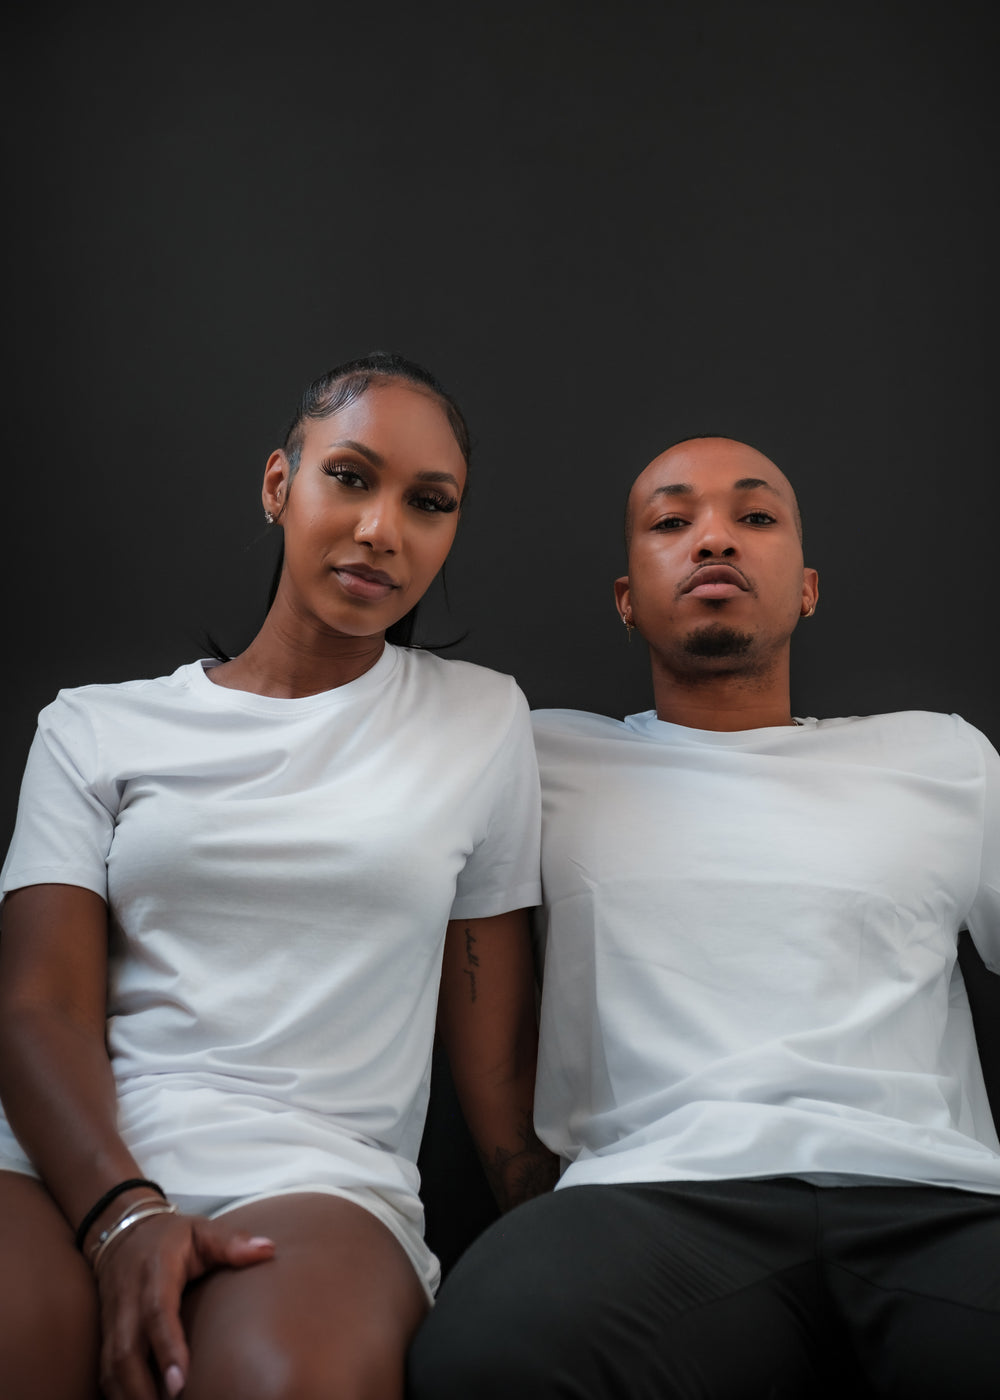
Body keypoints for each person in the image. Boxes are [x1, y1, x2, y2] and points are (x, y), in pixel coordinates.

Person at [0, 352, 553, 1400]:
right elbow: (37, 1009)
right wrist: (123, 1211)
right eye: (350, 476)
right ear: (276, 485)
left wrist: (577, 1250)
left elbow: (497, 1067)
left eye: (428, 503)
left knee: (280, 1377)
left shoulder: (481, 722)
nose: (383, 528)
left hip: (315, 1177)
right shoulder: (95, 727)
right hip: (70, 1161)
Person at [407, 435, 1000, 1398]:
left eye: (754, 517)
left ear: (806, 588)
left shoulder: (939, 757)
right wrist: (531, 1194)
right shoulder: (533, 756)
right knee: (485, 1359)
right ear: (627, 598)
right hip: (648, 1201)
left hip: (931, 1198)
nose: (714, 538)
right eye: (672, 522)